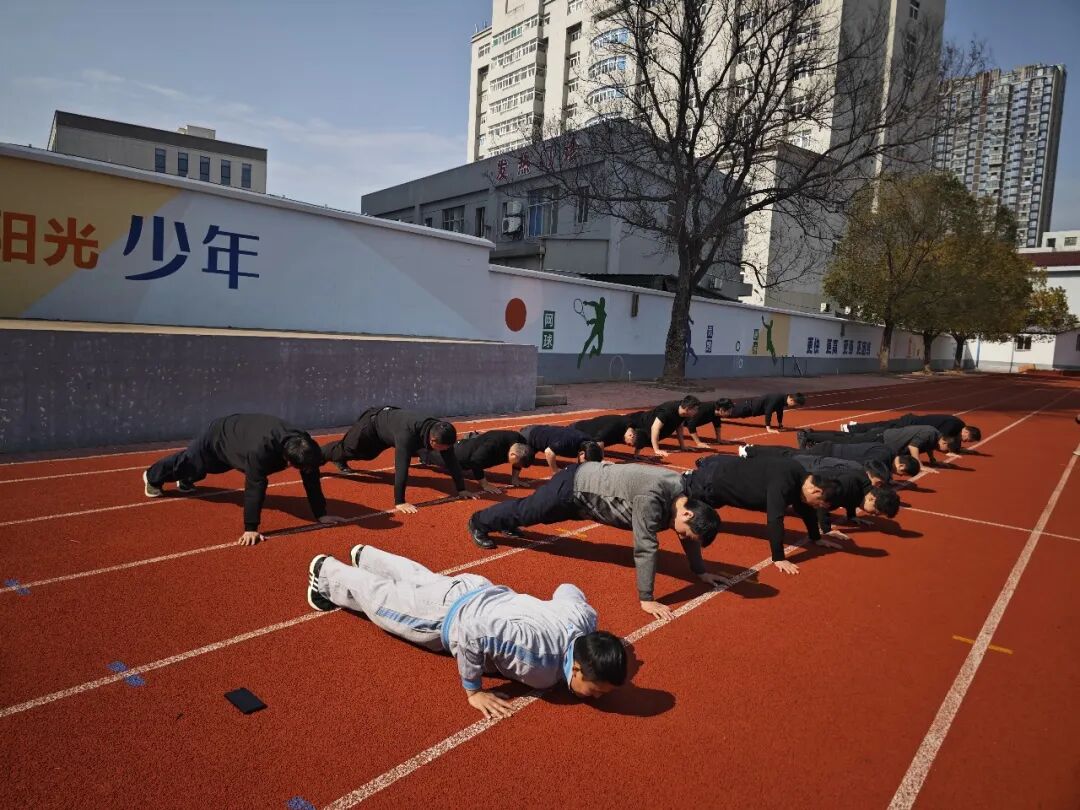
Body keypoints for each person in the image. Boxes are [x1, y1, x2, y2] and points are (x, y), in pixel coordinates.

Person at [305, 545, 628, 719]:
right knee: (382, 602)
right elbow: (474, 632)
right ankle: (326, 572)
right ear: (576, 668)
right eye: (596, 689)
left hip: (476, 588)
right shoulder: (541, 663)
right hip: (443, 617)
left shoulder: (583, 620)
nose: (598, 696)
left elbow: (568, 588)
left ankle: (367, 556)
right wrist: (474, 691)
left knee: (420, 578)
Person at [467, 461, 724, 620]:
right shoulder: (652, 499)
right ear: (687, 513)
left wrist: (700, 571)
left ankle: (505, 523)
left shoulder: (681, 496)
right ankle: (479, 522)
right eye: (685, 533)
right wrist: (646, 599)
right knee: (528, 511)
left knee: (530, 514)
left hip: (586, 493)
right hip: (574, 488)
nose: (682, 537)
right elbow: (646, 547)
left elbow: (690, 538)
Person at [142, 413, 345, 545]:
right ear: (289, 460)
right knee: (189, 462)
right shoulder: (261, 451)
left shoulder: (305, 445)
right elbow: (255, 486)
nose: (304, 470)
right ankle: (152, 477)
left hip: (240, 441)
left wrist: (321, 514)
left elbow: (311, 478)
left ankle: (187, 477)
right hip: (219, 434)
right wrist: (251, 528)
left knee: (214, 467)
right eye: (299, 467)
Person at [686, 455, 842, 574]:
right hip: (713, 482)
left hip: (726, 474)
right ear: (816, 491)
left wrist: (816, 537)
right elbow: (775, 518)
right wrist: (779, 557)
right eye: (819, 504)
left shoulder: (801, 478)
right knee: (684, 506)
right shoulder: (785, 481)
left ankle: (705, 464)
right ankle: (690, 476)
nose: (817, 507)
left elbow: (806, 510)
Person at [320, 406, 477, 513]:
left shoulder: (440, 431)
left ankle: (339, 458)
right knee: (348, 450)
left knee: (368, 456)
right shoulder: (407, 435)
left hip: (387, 432)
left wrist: (461, 489)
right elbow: (401, 467)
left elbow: (452, 461)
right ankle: (318, 456)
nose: (446, 450)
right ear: (433, 440)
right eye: (443, 447)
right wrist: (400, 501)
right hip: (371, 426)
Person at [418, 429, 533, 493]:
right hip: (462, 455)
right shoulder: (493, 445)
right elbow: (475, 462)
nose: (517, 466)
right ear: (513, 454)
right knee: (433, 457)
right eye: (516, 463)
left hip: (476, 447)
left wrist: (515, 478)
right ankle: (418, 450)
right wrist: (485, 485)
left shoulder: (521, 443)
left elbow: (521, 459)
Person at [798, 424, 959, 466]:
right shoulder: (930, 433)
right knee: (846, 440)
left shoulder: (934, 435)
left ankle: (812, 436)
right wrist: (920, 465)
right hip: (881, 439)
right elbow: (914, 447)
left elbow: (928, 446)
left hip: (883, 439)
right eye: (946, 450)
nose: (944, 452)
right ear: (944, 442)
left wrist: (932, 459)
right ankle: (809, 435)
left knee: (847, 438)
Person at [795, 439, 922, 482]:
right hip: (826, 453)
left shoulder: (888, 452)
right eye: (902, 474)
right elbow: (864, 469)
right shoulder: (881, 459)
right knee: (793, 461)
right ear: (902, 466)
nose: (899, 476)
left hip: (830, 453)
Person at [631, 396, 701, 458]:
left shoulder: (683, 413)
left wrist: (683, 446)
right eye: (695, 409)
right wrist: (657, 450)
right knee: (629, 436)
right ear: (687, 409)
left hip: (647, 433)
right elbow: (655, 428)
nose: (697, 411)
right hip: (636, 422)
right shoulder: (667, 411)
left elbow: (679, 427)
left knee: (643, 441)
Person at [520, 424, 604, 475]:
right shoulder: (566, 443)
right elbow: (548, 452)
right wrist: (555, 470)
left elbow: (600, 444)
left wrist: (600, 461)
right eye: (585, 463)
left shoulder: (591, 443)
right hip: (530, 436)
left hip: (541, 430)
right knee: (524, 459)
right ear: (582, 453)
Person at [842, 413, 981, 444]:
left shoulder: (958, 425)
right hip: (910, 423)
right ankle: (852, 428)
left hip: (913, 423)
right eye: (967, 439)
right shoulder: (954, 425)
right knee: (883, 428)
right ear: (966, 431)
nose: (965, 441)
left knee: (883, 426)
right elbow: (941, 439)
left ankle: (856, 426)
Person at [572, 414, 650, 455]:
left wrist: (636, 454)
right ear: (631, 436)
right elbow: (598, 442)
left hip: (589, 435)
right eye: (630, 444)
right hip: (577, 432)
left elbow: (641, 436)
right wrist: (601, 460)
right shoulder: (613, 427)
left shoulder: (633, 427)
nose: (628, 445)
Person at [728, 392, 805, 433]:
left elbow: (779, 410)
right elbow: (768, 411)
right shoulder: (778, 398)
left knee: (730, 413)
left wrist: (780, 424)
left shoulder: (783, 399)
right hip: (748, 407)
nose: (793, 406)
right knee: (729, 413)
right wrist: (769, 428)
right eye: (795, 404)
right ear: (791, 400)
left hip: (752, 410)